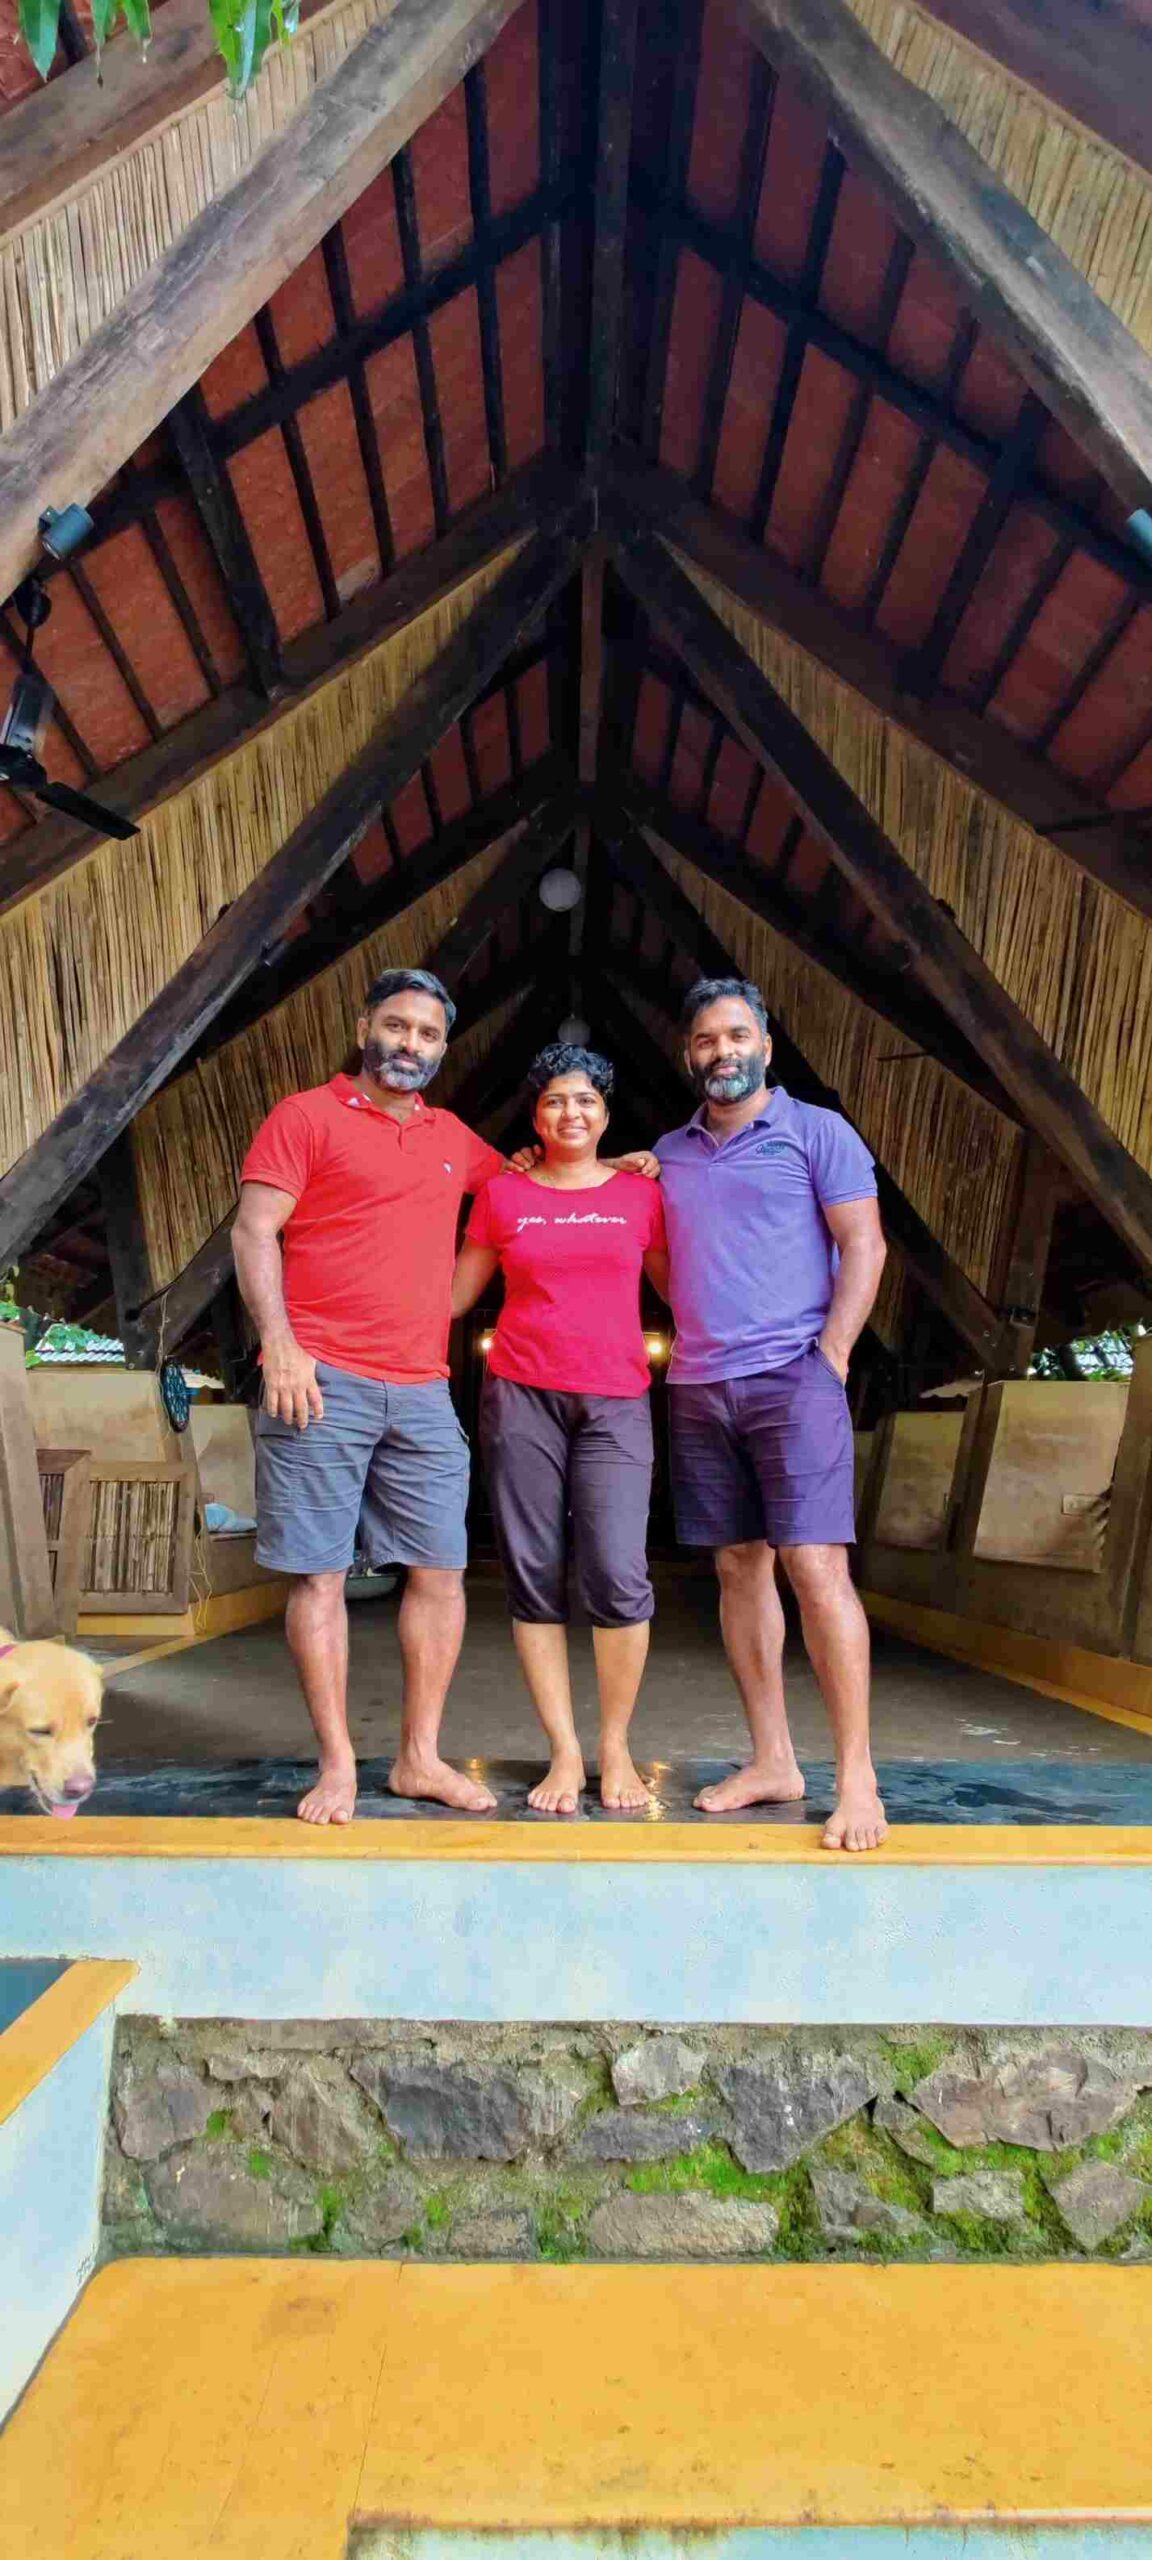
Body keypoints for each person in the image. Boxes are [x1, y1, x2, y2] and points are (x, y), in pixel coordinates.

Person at [232, 971, 656, 1827]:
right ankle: (339, 1763)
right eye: (396, 1026)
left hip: (422, 1387)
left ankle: (419, 1757)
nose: (410, 1044)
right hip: (320, 1376)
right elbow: (254, 1230)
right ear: (365, 1028)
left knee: (442, 1572)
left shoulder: (453, 1138)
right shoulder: (302, 1117)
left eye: (427, 1034)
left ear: (441, 1050)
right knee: (318, 1577)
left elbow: (540, 1186)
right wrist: (279, 1344)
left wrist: (609, 1164)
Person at [654, 977, 889, 1854]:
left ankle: (856, 1773)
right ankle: (773, 1761)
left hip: (795, 1377)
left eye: (737, 1035)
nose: (722, 1051)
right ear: (689, 1055)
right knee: (739, 1570)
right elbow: (657, 1254)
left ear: (766, 1044)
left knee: (815, 1567)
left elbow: (864, 1243)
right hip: (699, 1384)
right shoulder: (668, 1153)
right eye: (707, 1040)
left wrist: (830, 1356)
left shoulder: (817, 1131)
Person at [451, 1045, 669, 1815]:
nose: (568, 1113)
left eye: (584, 1100)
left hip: (616, 1399)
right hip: (519, 1397)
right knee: (533, 1570)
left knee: (617, 1571)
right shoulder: (505, 1195)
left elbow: (684, 1288)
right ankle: (565, 1753)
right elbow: (453, 1296)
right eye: (552, 1101)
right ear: (534, 1114)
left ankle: (615, 1746)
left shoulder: (644, 1197)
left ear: (606, 1113)